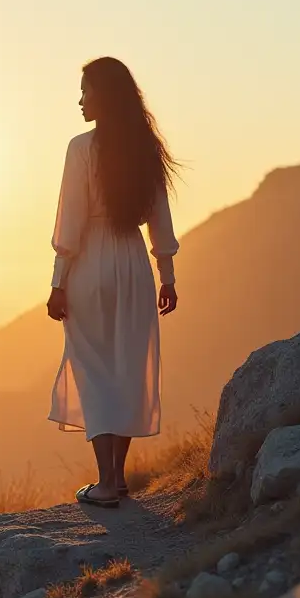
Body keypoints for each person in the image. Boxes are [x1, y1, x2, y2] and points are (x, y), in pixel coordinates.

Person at [47, 56, 182, 509]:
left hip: (91, 266)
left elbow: (71, 223)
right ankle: (117, 479)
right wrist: (167, 275)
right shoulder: (146, 148)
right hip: (133, 266)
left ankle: (105, 483)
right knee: (126, 366)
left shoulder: (81, 148)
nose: (80, 99)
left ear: (104, 95)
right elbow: (159, 221)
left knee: (94, 370)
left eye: (86, 90)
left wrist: (58, 281)